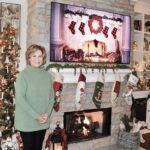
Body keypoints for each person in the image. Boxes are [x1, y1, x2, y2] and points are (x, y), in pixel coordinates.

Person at [14, 44, 54, 150]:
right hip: (27, 121)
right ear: (29, 57)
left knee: (38, 148)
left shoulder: (47, 76)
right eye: (34, 56)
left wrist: (47, 114)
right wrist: (36, 116)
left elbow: (51, 97)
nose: (37, 59)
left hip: (42, 120)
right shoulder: (23, 75)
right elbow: (20, 99)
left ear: (43, 58)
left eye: (40, 56)